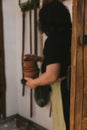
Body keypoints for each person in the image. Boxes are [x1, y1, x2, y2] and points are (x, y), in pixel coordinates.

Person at [25, 0, 72, 130]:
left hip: (64, 90)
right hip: (75, 87)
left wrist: (34, 83)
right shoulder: (71, 34)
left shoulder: (53, 40)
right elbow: (61, 58)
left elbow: (52, 75)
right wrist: (39, 58)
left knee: (63, 124)